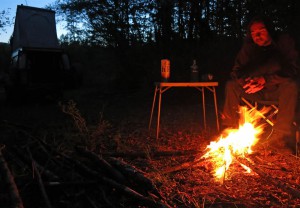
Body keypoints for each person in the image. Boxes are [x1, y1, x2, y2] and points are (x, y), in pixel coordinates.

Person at [222, 15, 299, 151]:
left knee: (292, 85)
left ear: (269, 29)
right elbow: (236, 72)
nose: (256, 35)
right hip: (255, 91)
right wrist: (248, 82)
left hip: (278, 90)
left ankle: (282, 136)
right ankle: (229, 128)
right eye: (253, 33)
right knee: (231, 85)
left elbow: (293, 70)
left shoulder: (284, 43)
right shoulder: (249, 47)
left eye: (261, 30)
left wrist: (265, 80)